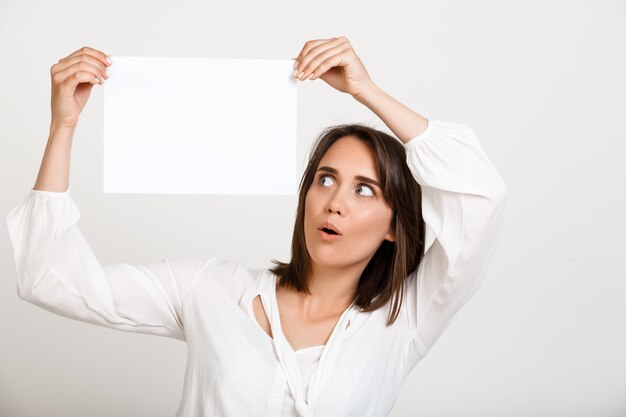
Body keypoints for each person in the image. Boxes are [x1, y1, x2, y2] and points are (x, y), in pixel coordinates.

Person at [6, 37, 508, 417]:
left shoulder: (406, 319)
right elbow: (49, 277)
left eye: (364, 189)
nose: (334, 202)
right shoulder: (210, 290)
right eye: (325, 179)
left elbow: (480, 197)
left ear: (395, 227)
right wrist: (64, 126)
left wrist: (364, 90)